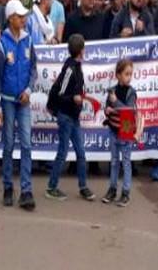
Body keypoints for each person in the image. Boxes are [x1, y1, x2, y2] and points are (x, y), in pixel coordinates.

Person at [0, 0, 37, 211]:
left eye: (24, 15)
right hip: (8, 102)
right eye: (20, 16)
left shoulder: (29, 41)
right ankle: (8, 187)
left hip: (24, 102)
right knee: (8, 144)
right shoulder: (2, 44)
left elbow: (34, 70)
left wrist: (29, 90)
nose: (24, 19)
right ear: (11, 18)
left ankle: (26, 190)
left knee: (26, 144)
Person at [45, 34, 96, 202]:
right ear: (81, 51)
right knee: (63, 152)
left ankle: (83, 187)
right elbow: (60, 93)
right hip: (66, 116)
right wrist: (72, 98)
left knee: (81, 152)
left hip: (73, 117)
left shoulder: (76, 66)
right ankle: (52, 187)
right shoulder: (70, 69)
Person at [102, 59, 139, 207]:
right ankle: (112, 190)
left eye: (130, 74)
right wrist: (107, 110)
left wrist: (115, 103)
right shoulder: (112, 90)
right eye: (126, 74)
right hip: (113, 129)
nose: (129, 77)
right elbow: (106, 107)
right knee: (114, 162)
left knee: (126, 162)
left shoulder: (131, 92)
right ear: (118, 75)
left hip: (126, 127)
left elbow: (128, 111)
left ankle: (125, 193)